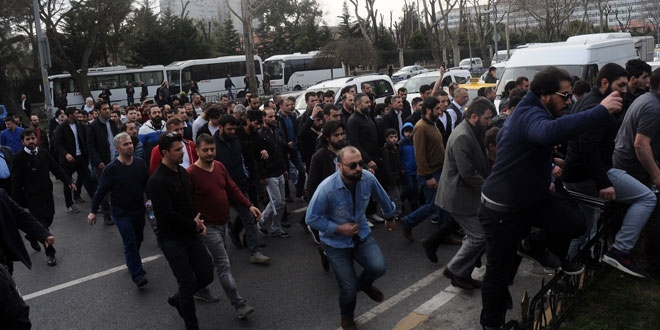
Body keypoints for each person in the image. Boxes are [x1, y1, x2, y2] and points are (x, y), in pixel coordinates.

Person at [479, 66, 623, 330]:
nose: (569, 102)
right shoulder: (529, 113)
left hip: (531, 198)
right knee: (499, 276)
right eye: (565, 96)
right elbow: (548, 133)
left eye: (570, 97)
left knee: (575, 223)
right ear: (545, 95)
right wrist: (601, 110)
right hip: (503, 209)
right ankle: (492, 325)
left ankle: (533, 244)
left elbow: (531, 150)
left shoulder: (538, 110)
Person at [562, 63, 656, 278]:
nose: (625, 90)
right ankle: (621, 250)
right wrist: (603, 182)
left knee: (581, 229)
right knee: (646, 198)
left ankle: (568, 274)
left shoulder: (590, 100)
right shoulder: (596, 106)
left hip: (576, 175)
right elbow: (587, 148)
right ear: (605, 83)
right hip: (588, 176)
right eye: (620, 85)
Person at [306, 146, 396, 330]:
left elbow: (383, 197)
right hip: (335, 242)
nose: (358, 169)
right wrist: (339, 228)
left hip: (361, 234)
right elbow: (311, 218)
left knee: (379, 267)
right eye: (352, 165)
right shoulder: (326, 189)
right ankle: (346, 317)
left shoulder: (367, 178)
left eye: (360, 164)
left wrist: (389, 216)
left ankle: (364, 284)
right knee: (348, 288)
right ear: (340, 166)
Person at [187, 133, 259, 318]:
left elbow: (232, 188)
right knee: (223, 264)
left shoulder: (219, 166)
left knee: (212, 262)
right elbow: (185, 201)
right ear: (197, 151)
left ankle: (197, 286)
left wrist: (248, 205)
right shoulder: (191, 174)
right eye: (205, 150)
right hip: (207, 227)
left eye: (212, 149)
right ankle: (239, 305)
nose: (210, 153)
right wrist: (194, 220)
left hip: (223, 223)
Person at [146, 132, 213, 330]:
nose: (182, 152)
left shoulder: (182, 173)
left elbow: (190, 203)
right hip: (172, 240)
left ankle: (178, 300)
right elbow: (167, 215)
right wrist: (193, 225)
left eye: (181, 148)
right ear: (165, 152)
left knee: (207, 274)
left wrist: (199, 221)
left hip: (191, 234)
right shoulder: (156, 182)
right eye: (177, 150)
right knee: (187, 282)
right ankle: (191, 324)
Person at [427, 97, 494, 290]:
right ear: (474, 116)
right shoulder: (463, 136)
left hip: (467, 195)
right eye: (487, 118)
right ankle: (455, 269)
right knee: (479, 237)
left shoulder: (472, 130)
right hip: (459, 197)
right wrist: (489, 187)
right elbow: (468, 173)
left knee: (475, 235)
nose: (489, 122)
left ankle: (462, 274)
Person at [612, 67, 660, 274]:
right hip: (631, 166)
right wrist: (657, 175)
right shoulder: (653, 107)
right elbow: (641, 145)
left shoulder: (646, 99)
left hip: (627, 163)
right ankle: (655, 262)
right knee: (655, 208)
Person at [87, 132, 149, 288]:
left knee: (138, 238)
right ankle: (138, 275)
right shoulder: (111, 169)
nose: (130, 146)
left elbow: (147, 185)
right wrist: (93, 210)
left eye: (130, 143)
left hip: (138, 209)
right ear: (117, 148)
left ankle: (132, 261)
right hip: (121, 212)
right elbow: (101, 191)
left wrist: (149, 199)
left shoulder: (140, 163)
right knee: (130, 241)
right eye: (125, 144)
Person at [12, 128, 74, 267]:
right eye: (27, 139)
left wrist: (68, 181)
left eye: (33, 138)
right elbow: (15, 181)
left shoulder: (44, 153)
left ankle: (32, 235)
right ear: (23, 142)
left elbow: (55, 168)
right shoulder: (18, 157)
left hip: (47, 194)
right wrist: (16, 203)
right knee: (42, 226)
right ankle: (50, 253)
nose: (31, 141)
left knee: (49, 219)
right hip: (32, 197)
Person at [401, 97, 451, 242]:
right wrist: (428, 177)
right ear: (428, 110)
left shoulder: (432, 124)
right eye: (436, 109)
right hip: (430, 173)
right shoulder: (421, 127)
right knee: (434, 205)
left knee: (445, 203)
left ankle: (445, 234)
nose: (439, 110)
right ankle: (408, 221)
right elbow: (420, 155)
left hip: (440, 169)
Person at [55, 107, 97, 213]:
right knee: (68, 182)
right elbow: (57, 144)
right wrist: (66, 154)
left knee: (88, 179)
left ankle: (96, 202)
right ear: (69, 115)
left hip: (81, 157)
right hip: (68, 159)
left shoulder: (80, 126)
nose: (78, 115)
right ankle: (69, 205)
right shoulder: (61, 128)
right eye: (76, 113)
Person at [257, 108, 289, 237]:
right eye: (269, 117)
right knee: (276, 201)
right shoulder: (261, 134)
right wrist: (262, 176)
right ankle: (262, 222)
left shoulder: (275, 132)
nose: (273, 119)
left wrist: (284, 169)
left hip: (278, 171)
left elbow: (278, 153)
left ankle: (275, 227)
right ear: (264, 118)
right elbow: (258, 158)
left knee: (281, 202)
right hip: (269, 174)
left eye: (274, 116)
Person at [87, 101, 119, 225]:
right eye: (104, 109)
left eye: (108, 108)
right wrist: (98, 161)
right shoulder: (93, 126)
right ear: (98, 111)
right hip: (102, 163)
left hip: (115, 160)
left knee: (116, 188)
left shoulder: (112, 123)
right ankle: (107, 215)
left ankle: (117, 211)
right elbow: (90, 146)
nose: (108, 111)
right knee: (104, 190)